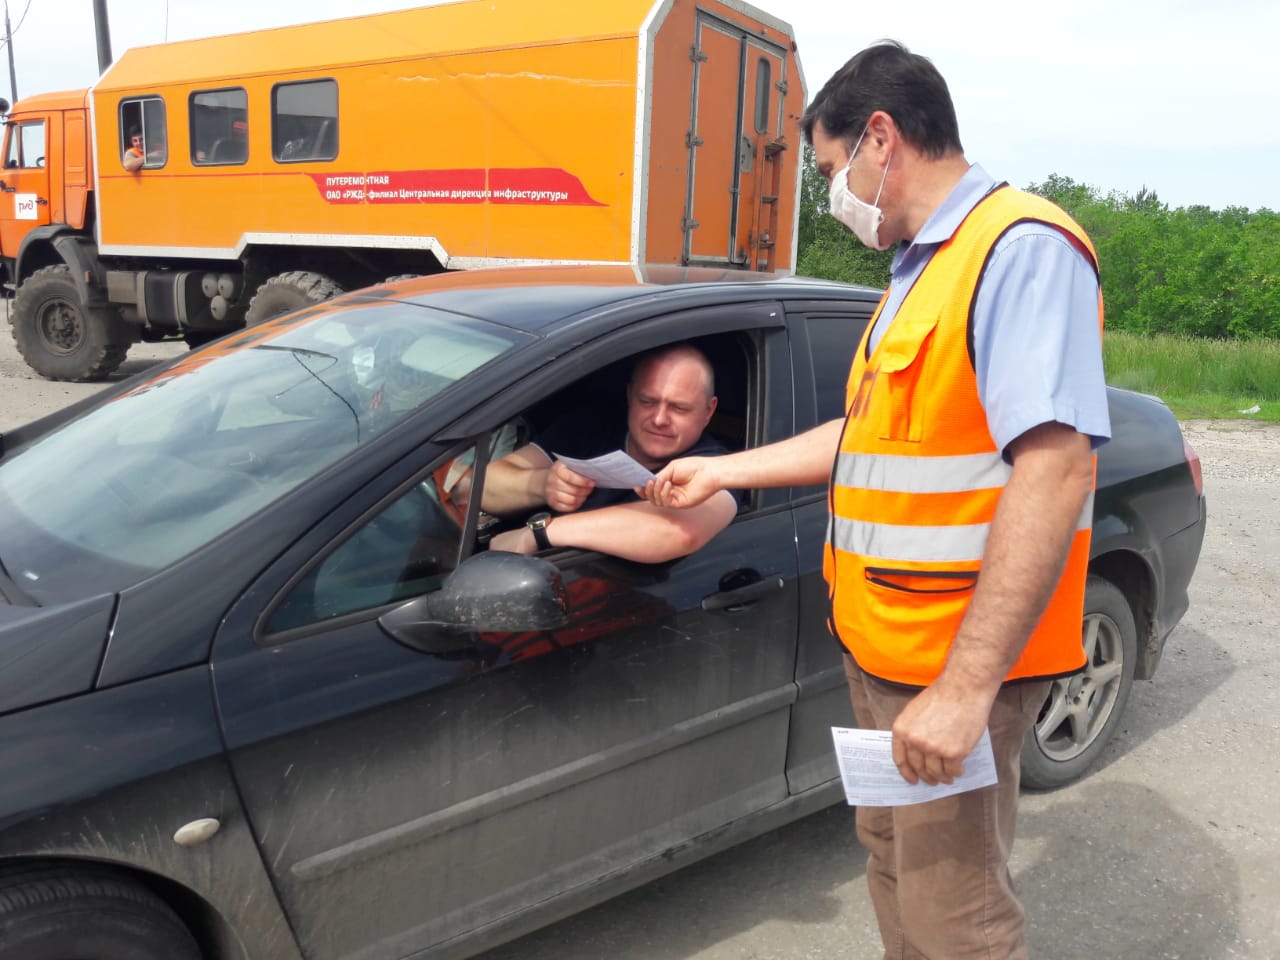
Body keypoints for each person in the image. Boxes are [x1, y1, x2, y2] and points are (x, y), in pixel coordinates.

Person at [643, 41, 1110, 960]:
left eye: (828, 169)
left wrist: (966, 690)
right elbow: (866, 439)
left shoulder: (1018, 250)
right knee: (892, 863)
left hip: (950, 665)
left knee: (957, 919)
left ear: (880, 138)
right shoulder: (914, 271)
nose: (830, 193)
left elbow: (1054, 468)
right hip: (887, 652)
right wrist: (724, 470)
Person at [483, 343, 739, 563]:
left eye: (679, 408)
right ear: (629, 396)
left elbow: (679, 532)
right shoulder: (591, 427)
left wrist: (537, 534)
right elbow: (483, 486)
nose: (660, 419)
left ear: (708, 411)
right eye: (647, 402)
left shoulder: (712, 465)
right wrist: (545, 484)